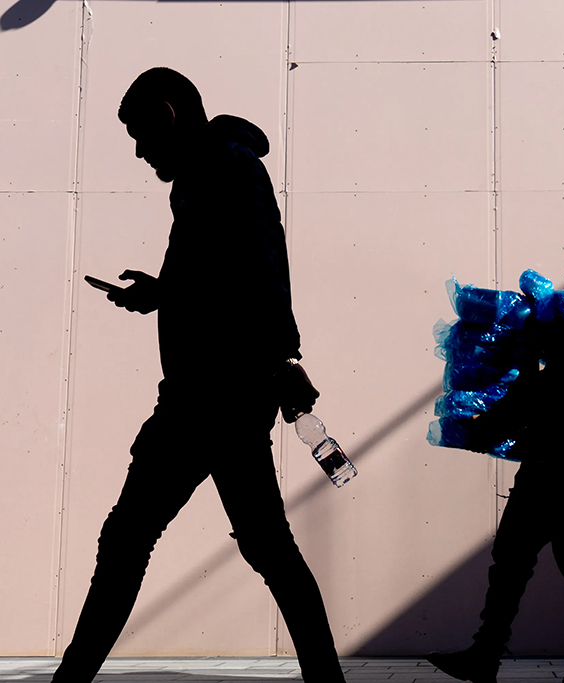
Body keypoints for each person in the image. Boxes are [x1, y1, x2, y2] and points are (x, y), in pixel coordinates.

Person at [52, 68, 346, 683]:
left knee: (130, 537)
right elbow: (223, 278)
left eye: (140, 132)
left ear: (167, 114)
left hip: (214, 393)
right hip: (214, 391)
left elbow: (261, 273)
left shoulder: (224, 169)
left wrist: (280, 358)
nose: (138, 150)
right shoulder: (206, 175)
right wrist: (161, 294)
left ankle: (69, 682)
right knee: (263, 547)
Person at [427, 236, 564, 683]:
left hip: (559, 458)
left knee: (518, 554)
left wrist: (488, 424)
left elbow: (549, 390)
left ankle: (488, 656)